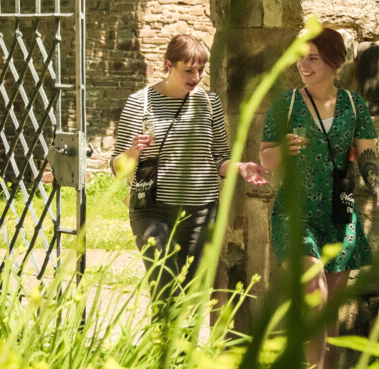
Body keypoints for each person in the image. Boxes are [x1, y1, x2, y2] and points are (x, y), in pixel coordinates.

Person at [259, 28, 379, 369]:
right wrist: (280, 151)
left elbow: (367, 155)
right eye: (300, 57)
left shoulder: (352, 104)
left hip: (340, 214)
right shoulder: (285, 104)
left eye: (313, 58)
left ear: (335, 62)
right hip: (295, 214)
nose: (303, 64)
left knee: (328, 312)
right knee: (315, 294)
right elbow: (265, 159)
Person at [110, 34, 269, 301]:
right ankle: (163, 342)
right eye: (188, 70)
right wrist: (133, 152)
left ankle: (182, 344)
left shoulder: (209, 103)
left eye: (200, 70)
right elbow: (117, 168)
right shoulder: (141, 102)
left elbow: (219, 157)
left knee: (190, 296)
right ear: (169, 64)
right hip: (152, 211)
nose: (196, 76)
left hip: (201, 213)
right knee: (165, 289)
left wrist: (240, 167)